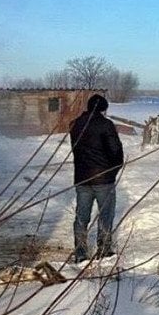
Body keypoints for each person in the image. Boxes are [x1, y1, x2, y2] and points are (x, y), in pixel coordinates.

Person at [69, 93, 124, 263]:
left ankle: (80, 253)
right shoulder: (106, 125)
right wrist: (113, 170)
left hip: (82, 178)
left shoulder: (76, 124)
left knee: (81, 217)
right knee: (105, 215)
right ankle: (104, 250)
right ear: (103, 109)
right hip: (103, 179)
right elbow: (115, 151)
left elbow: (77, 150)